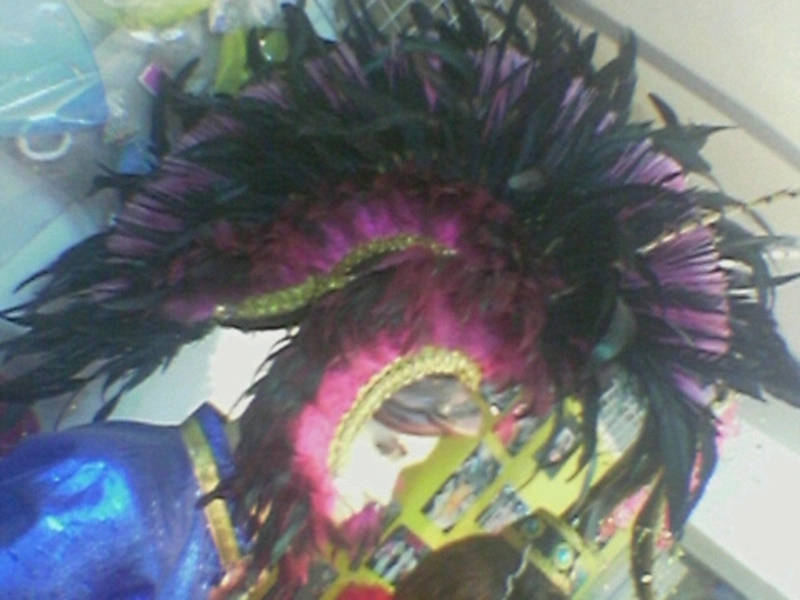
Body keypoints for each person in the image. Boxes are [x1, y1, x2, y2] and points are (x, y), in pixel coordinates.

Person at [1, 0, 800, 598]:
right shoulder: (119, 494)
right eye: (389, 450)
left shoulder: (225, 549)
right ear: (331, 386)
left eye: (405, 461)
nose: (383, 499)